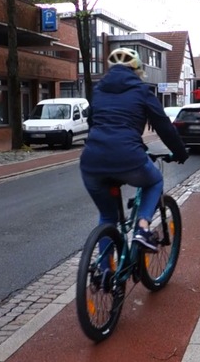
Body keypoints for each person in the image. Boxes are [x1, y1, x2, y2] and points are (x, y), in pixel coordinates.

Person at [80, 47, 189, 252]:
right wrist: (181, 152)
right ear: (138, 71)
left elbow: (92, 122)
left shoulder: (98, 90)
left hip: (91, 160)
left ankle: (104, 274)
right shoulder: (142, 91)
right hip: (127, 156)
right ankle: (142, 228)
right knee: (155, 180)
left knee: (107, 217)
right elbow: (164, 126)